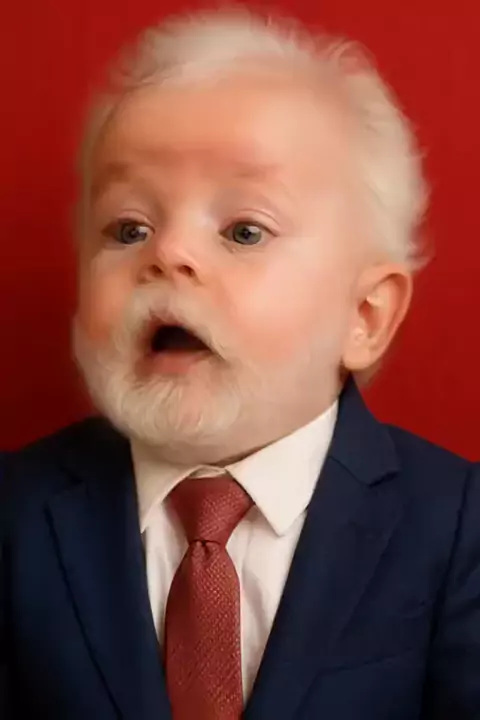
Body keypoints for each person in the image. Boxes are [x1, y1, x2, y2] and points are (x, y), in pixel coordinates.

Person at [1, 7, 480, 719]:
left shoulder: (459, 525)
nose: (169, 254)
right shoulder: (16, 512)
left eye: (244, 231)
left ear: (364, 316)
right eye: (128, 228)